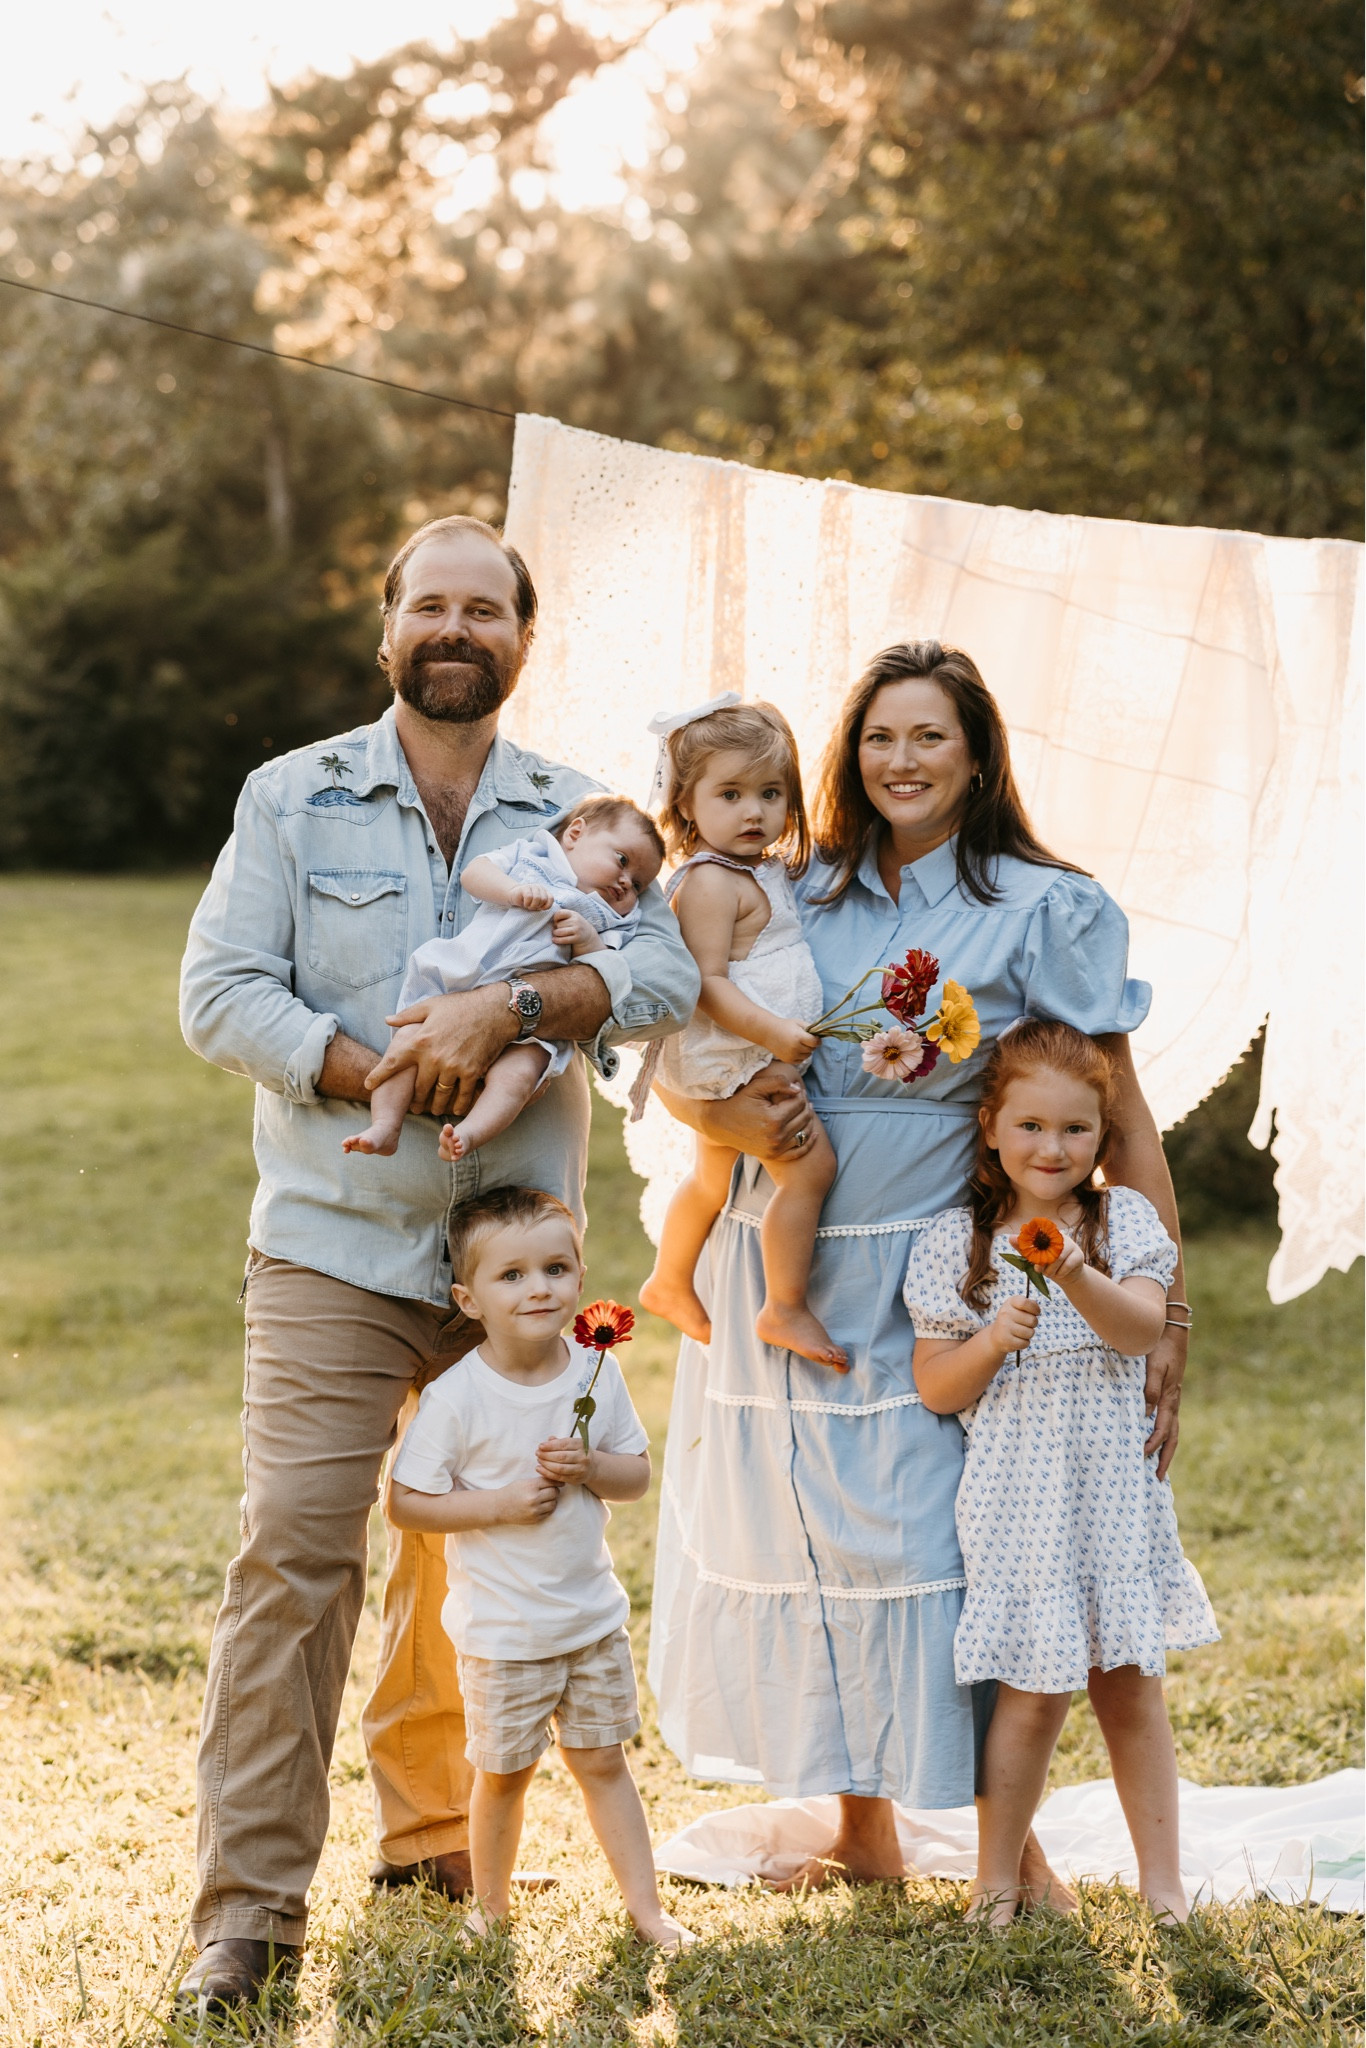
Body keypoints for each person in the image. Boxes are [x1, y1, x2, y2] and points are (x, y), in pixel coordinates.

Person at [175, 514, 698, 2013]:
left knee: (483, 1536)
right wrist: (371, 1064)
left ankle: (427, 1842)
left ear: (524, 642)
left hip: (519, 1270)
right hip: (333, 1249)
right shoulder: (292, 796)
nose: (456, 628)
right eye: (432, 604)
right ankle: (250, 1913)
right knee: (295, 1550)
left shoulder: (584, 810)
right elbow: (218, 993)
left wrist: (520, 1005)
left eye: (488, 608)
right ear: (388, 628)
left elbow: (663, 969)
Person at [647, 640, 1190, 1897]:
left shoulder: (1040, 904)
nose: (901, 760)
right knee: (825, 1545)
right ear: (850, 755)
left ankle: (1019, 1856)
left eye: (929, 736)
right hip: (777, 1250)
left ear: (977, 752)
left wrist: (1170, 1316)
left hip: (935, 1275)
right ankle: (866, 1831)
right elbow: (687, 1041)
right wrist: (717, 1123)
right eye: (880, 737)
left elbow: (1124, 1115)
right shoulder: (795, 887)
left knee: (936, 1553)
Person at [908, 1019, 1217, 1924]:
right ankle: (997, 1879)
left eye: (1076, 1130)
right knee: (1032, 1695)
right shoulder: (954, 1242)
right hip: (1017, 1499)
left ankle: (1163, 1883)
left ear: (1101, 1137)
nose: (1053, 1148)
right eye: (1032, 1127)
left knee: (1130, 1687)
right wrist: (993, 1343)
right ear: (992, 1128)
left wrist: (1075, 1271)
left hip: (1114, 1498)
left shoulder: (1124, 1224)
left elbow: (1136, 1330)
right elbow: (934, 1385)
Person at [387, 1186, 696, 1950]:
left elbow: (636, 1477)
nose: (539, 1288)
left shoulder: (593, 1374)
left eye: (555, 1269)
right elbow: (406, 1503)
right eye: (513, 1276)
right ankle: (490, 1912)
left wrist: (590, 1466)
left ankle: (647, 1911)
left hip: (589, 1618)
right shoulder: (457, 1397)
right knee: (505, 1774)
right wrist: (493, 1505)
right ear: (469, 1297)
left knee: (603, 1762)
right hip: (503, 1633)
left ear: (581, 1279)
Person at [638, 700, 844, 1371]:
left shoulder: (760, 869)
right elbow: (707, 983)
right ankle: (783, 1304)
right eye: (730, 794)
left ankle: (669, 1281)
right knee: (810, 1170)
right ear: (687, 804)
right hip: (735, 1055)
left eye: (770, 793)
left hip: (741, 1052)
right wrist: (775, 1032)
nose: (753, 812)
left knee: (711, 1178)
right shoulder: (707, 883)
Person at [344, 796, 664, 1158]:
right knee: (409, 1045)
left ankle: (469, 1134)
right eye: (622, 861)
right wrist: (511, 891)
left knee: (519, 1077)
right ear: (575, 833)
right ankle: (385, 1125)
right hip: (462, 977)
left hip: (533, 1026)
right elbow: (475, 874)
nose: (626, 883)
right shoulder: (532, 856)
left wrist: (589, 940)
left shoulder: (611, 917)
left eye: (638, 884)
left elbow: (608, 975)